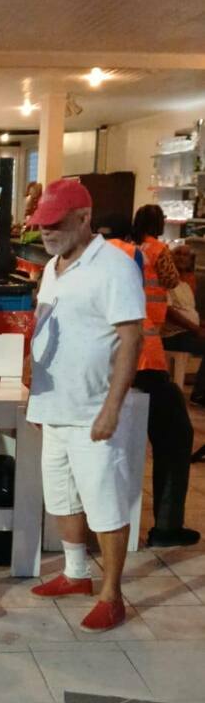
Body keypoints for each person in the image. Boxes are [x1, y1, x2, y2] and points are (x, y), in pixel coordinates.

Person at [26, 178, 145, 632]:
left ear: (84, 218)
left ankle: (112, 594)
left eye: (55, 223)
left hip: (94, 407)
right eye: (42, 224)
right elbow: (47, 322)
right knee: (61, 495)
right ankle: (76, 572)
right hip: (54, 405)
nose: (46, 232)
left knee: (104, 501)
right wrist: (33, 376)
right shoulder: (53, 267)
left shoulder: (114, 267)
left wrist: (112, 408)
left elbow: (131, 339)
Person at [130, 204, 200, 546]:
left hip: (113, 359)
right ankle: (167, 527)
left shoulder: (116, 250)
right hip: (145, 357)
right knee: (176, 435)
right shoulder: (158, 251)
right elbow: (173, 285)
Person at [163, 244, 205, 407]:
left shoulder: (186, 284)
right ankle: (200, 394)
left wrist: (200, 325)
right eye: (178, 253)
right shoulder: (166, 280)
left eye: (185, 255)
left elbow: (189, 312)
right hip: (172, 335)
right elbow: (169, 312)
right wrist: (196, 329)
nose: (181, 257)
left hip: (188, 332)